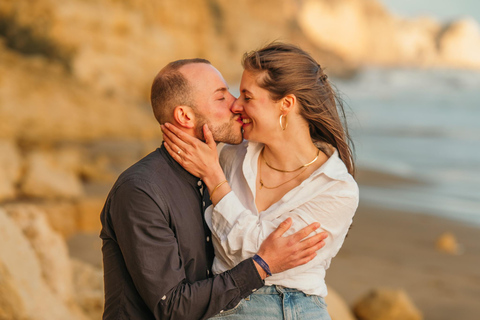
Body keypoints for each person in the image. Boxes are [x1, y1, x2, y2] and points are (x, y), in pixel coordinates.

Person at [99, 58, 329, 320]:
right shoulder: (140, 191)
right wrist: (262, 265)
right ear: (185, 116)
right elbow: (172, 307)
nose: (236, 104)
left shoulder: (221, 175)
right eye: (221, 98)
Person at [161, 43, 359, 319]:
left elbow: (255, 257)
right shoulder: (232, 156)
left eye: (247, 96)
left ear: (286, 104)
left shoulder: (336, 189)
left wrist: (216, 180)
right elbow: (257, 257)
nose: (236, 105)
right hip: (222, 303)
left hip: (292, 308)